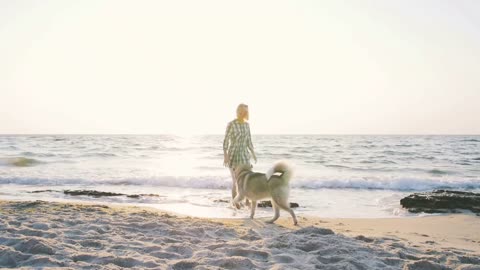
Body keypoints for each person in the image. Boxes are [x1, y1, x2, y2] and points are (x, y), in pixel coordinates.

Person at [223, 103, 257, 201]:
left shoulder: (247, 125)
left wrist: (253, 153)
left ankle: (247, 202)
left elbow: (249, 141)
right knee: (236, 181)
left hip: (245, 155)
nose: (241, 113)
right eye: (239, 111)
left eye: (244, 111)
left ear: (246, 113)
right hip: (233, 155)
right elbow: (226, 140)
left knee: (248, 180)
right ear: (237, 111)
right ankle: (235, 203)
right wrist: (225, 155)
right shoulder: (231, 124)